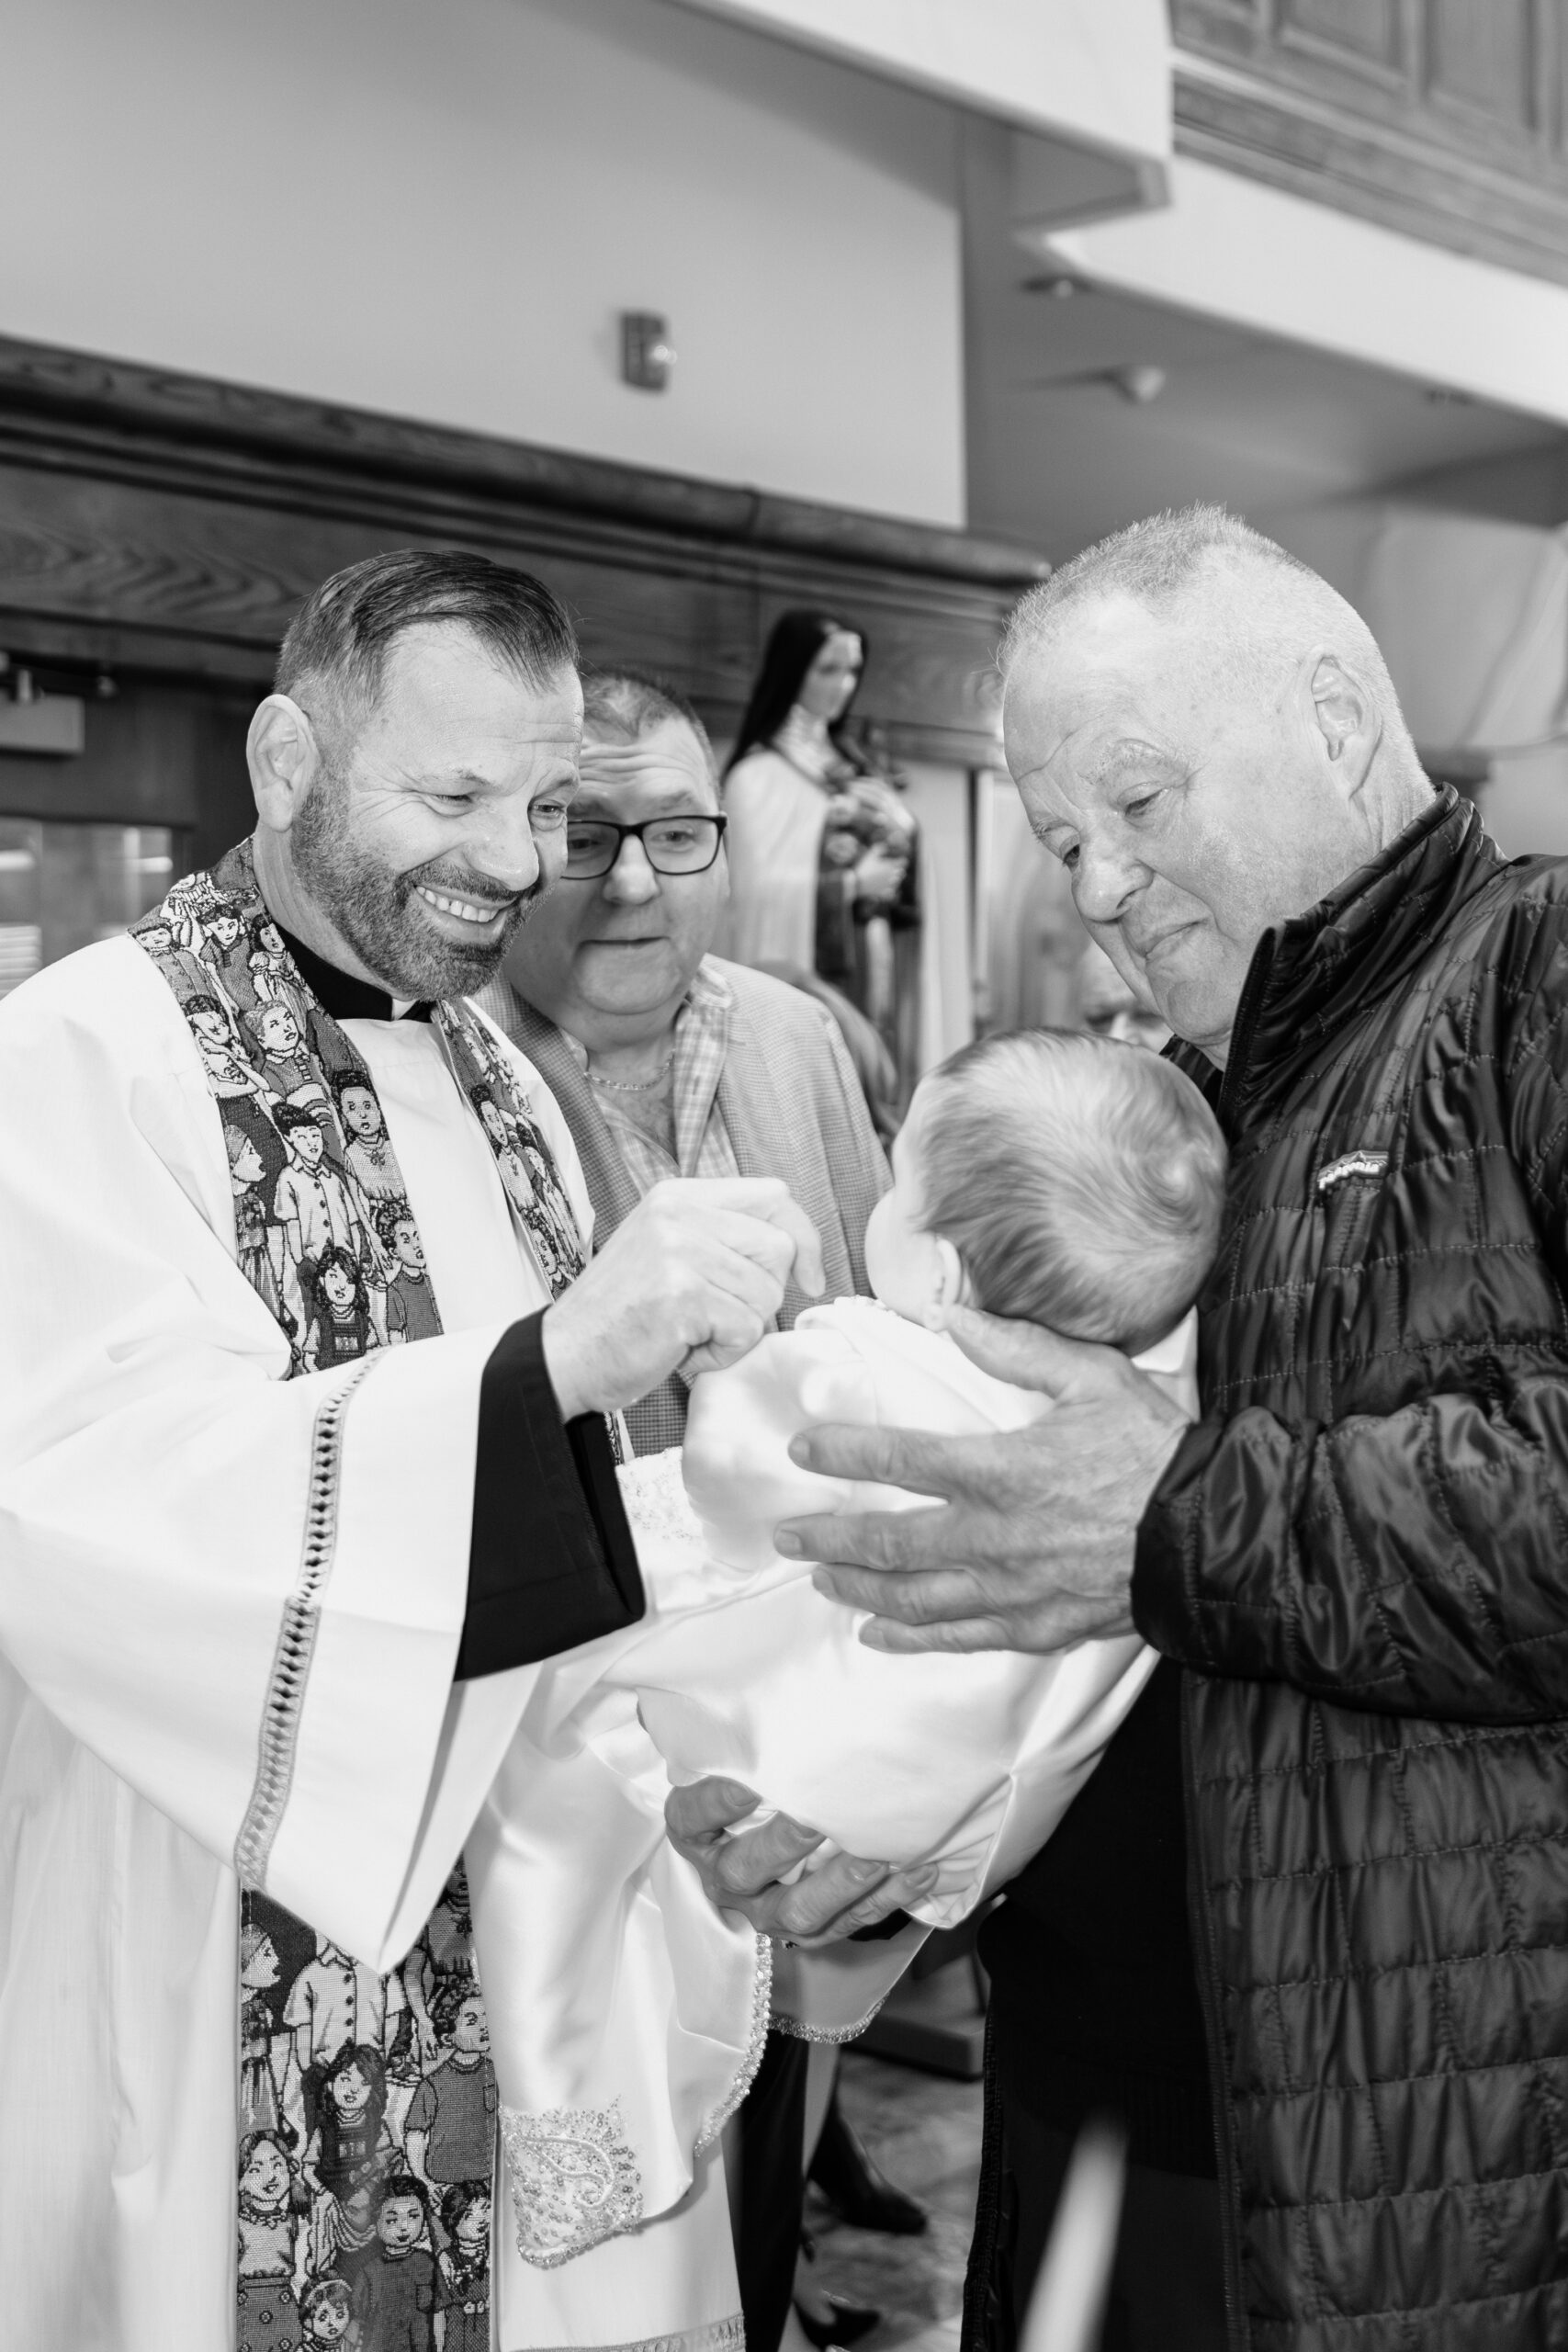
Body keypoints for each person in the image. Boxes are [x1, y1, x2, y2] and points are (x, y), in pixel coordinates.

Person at [668, 503, 1568, 2351]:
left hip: (1431, 2161)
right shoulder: (1133, 1100)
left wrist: (1181, 1511)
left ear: (1328, 714)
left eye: (1137, 807)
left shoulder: (1531, 986)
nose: (1093, 883)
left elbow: (1184, 1524)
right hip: (1088, 2097)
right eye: (1067, 837)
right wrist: (889, 1815)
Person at [0, 547, 852, 2350]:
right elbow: (95, 1506)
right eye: (451, 794)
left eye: (542, 801)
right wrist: (558, 1360)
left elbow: (595, 1506)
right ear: (288, 763)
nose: (515, 858)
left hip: (534, 1930)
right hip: (224, 1937)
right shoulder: (87, 1056)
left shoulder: (494, 1070)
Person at [466, 1025, 1221, 2328]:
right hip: (976, 1788)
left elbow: (743, 1475)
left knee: (555, 1772)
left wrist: (721, 1363)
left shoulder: (866, 1361)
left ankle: (579, 2137)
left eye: (895, 1175)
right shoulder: (1146, 1385)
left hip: (824, 1736)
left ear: (929, 1257)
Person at [475, 663, 896, 2344]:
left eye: (673, 829)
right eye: (582, 834)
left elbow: (878, 1331)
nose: (634, 877)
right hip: (567, 1767)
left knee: (766, 2180)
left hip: (801, 1722)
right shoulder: (452, 1073)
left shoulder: (796, 1038)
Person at [722, 611, 923, 1101]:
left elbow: (902, 867)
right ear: (794, 670)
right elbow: (755, 892)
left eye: (852, 670)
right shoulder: (758, 776)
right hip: (812, 960)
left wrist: (903, 828)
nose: (843, 685)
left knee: (873, 1066)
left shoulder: (857, 769)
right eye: (828, 670)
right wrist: (852, 885)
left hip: (869, 950)